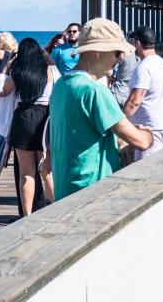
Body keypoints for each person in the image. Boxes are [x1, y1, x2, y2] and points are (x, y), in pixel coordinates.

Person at [49, 19, 153, 200]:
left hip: (65, 189)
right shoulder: (94, 91)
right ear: (98, 52)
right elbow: (141, 142)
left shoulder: (61, 85)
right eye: (117, 52)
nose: (120, 58)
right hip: (92, 192)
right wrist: (147, 133)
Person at [3, 37, 57, 213]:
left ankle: (27, 215)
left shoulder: (18, 71)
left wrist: (6, 68)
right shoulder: (51, 70)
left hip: (23, 118)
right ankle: (58, 208)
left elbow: (3, 91)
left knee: (26, 173)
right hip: (45, 118)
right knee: (46, 170)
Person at [123, 27, 163, 160]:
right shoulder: (161, 63)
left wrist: (121, 121)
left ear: (137, 44)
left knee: (145, 173)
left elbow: (135, 100)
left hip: (150, 129)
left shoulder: (144, 67)